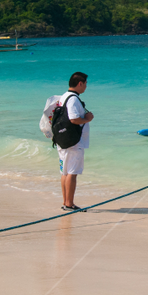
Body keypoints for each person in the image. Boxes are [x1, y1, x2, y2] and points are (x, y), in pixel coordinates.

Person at [58, 72, 93, 211]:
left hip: (63, 139)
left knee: (65, 172)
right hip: (73, 141)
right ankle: (69, 204)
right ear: (80, 83)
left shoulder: (64, 97)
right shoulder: (73, 99)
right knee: (72, 172)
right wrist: (87, 119)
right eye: (85, 84)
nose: (85, 87)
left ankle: (66, 202)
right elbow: (73, 119)